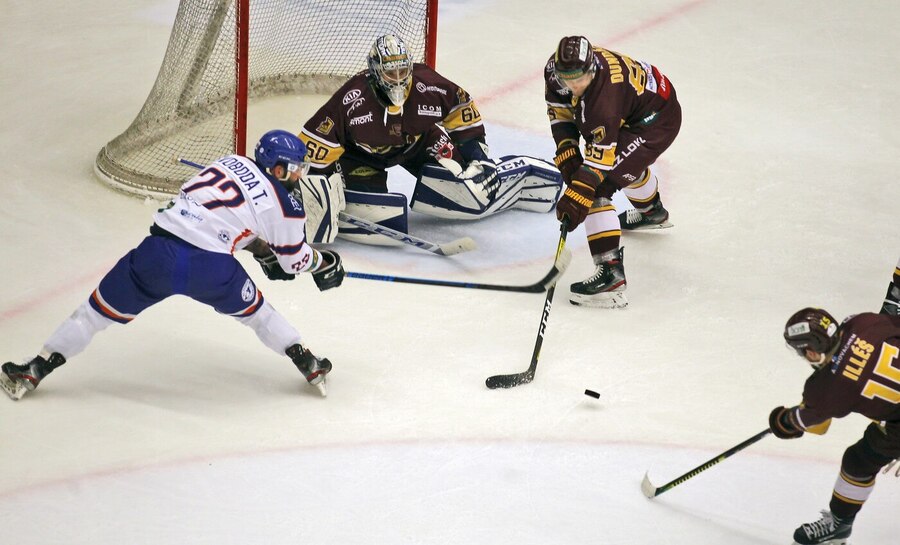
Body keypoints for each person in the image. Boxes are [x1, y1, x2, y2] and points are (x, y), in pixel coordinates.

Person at [0, 130, 345, 401]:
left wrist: (258, 249)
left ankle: (36, 368)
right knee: (259, 314)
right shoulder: (284, 204)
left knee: (91, 315)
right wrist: (323, 261)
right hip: (212, 269)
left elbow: (219, 215)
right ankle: (306, 361)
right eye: (297, 169)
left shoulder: (230, 161)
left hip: (157, 254)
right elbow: (294, 260)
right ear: (279, 168)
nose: (299, 176)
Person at [298, 34, 562, 240]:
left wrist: (478, 158)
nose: (398, 79)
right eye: (391, 72)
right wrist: (316, 188)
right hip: (363, 157)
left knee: (469, 185)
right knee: (379, 214)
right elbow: (316, 145)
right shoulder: (352, 99)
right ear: (376, 72)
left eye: (403, 71)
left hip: (419, 142)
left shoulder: (428, 84)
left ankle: (512, 173)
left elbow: (462, 110)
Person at [545, 36, 682, 309]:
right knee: (626, 167)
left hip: (655, 123)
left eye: (579, 79)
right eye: (566, 79)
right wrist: (568, 149)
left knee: (597, 189)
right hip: (639, 110)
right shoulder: (554, 71)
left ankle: (611, 278)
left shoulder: (603, 101)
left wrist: (577, 194)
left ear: (593, 69)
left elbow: (598, 165)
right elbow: (560, 112)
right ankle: (651, 212)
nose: (572, 85)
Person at [771, 307, 900, 544]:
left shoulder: (824, 389)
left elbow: (814, 425)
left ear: (811, 352)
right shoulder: (864, 323)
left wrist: (783, 421)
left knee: (858, 461)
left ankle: (839, 525)